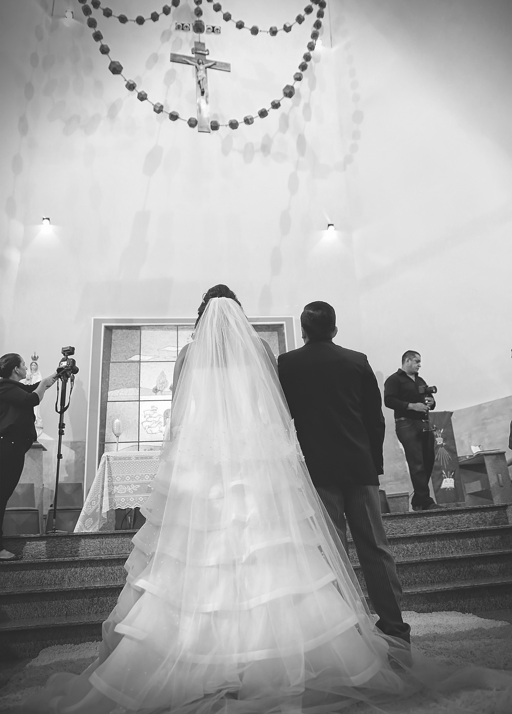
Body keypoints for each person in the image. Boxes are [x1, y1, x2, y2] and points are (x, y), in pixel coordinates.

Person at [21, 290, 512, 714]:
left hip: (204, 463)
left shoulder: (190, 353)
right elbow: (275, 409)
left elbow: (179, 411)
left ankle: (200, 649)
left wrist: (180, 454)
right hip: (256, 460)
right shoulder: (261, 349)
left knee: (201, 554)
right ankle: (316, 641)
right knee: (271, 547)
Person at [278, 301, 411, 647]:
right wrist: (374, 464)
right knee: (375, 548)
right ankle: (396, 630)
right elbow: (375, 419)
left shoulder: (288, 364)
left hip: (318, 469)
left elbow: (282, 417)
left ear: (303, 331)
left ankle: (345, 635)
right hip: (358, 467)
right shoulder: (357, 360)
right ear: (335, 330)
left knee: (331, 551)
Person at [0, 353, 57, 561]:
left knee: (2, 495)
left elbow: (31, 389)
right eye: (23, 365)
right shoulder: (4, 386)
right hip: (7, 448)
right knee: (1, 495)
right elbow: (32, 398)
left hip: (12, 448)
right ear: (16, 369)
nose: (26, 368)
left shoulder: (11, 387)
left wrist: (53, 377)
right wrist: (42, 385)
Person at [384, 351, 441, 512]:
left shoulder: (420, 380)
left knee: (428, 460)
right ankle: (425, 501)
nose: (419, 365)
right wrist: (411, 406)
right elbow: (389, 400)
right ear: (407, 361)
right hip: (406, 423)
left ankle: (418, 500)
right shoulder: (394, 379)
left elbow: (430, 400)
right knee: (417, 463)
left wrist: (431, 402)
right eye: (416, 361)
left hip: (424, 423)